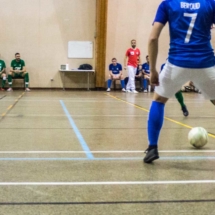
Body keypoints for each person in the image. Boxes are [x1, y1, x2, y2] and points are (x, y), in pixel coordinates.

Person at [144, 0, 215, 163]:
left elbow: (153, 38)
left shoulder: (168, 4)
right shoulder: (210, 3)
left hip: (177, 63)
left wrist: (153, 70)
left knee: (159, 100)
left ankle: (152, 148)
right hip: (205, 62)